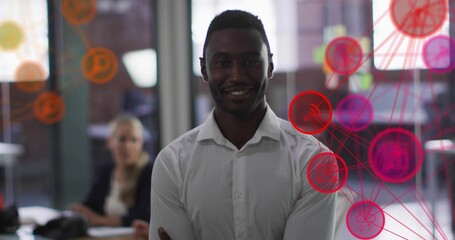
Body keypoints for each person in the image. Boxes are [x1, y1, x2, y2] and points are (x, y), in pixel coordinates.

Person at [150, 9, 338, 240]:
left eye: (250, 61)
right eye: (222, 62)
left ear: (269, 65)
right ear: (204, 69)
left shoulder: (313, 162)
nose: (237, 75)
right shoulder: (172, 164)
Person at [70, 114, 153, 227]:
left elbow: (142, 217)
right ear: (109, 142)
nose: (128, 146)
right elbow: (91, 205)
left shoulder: (149, 172)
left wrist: (98, 220)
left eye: (134, 140)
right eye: (122, 139)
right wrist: (79, 210)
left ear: (141, 144)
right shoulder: (106, 170)